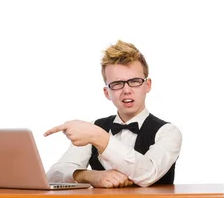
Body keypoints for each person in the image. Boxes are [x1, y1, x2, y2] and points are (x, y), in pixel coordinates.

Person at [44, 40, 182, 188]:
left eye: (134, 81)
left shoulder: (168, 132)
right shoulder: (95, 127)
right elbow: (54, 175)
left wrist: (98, 137)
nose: (126, 90)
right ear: (107, 92)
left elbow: (148, 173)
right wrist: (89, 175)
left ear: (147, 85)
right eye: (117, 84)